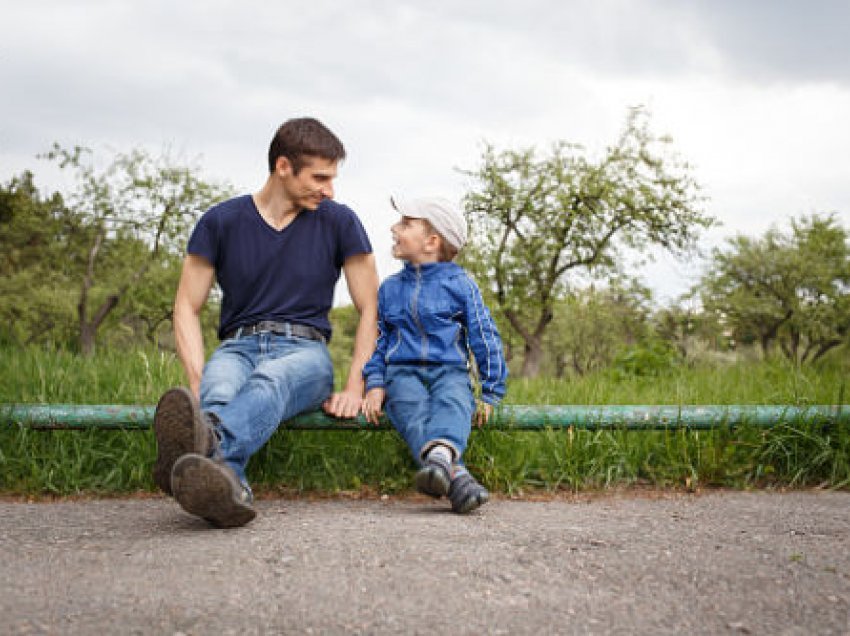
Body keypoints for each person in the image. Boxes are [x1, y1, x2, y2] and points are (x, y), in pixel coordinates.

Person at [152, 117, 378, 527]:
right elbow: (186, 305)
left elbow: (372, 308)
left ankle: (202, 449)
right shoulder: (220, 222)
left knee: (271, 378)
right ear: (283, 167)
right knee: (218, 392)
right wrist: (198, 376)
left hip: (305, 354)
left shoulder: (340, 221)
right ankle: (229, 487)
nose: (330, 189)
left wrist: (354, 385)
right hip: (237, 346)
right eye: (320, 177)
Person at [361, 196, 507, 513]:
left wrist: (491, 391)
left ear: (431, 242)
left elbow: (484, 335)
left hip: (450, 369)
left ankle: (444, 464)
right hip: (401, 372)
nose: (394, 228)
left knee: (455, 401)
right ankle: (458, 477)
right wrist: (374, 382)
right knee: (408, 409)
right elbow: (381, 340)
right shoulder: (389, 288)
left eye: (405, 223)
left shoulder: (461, 285)